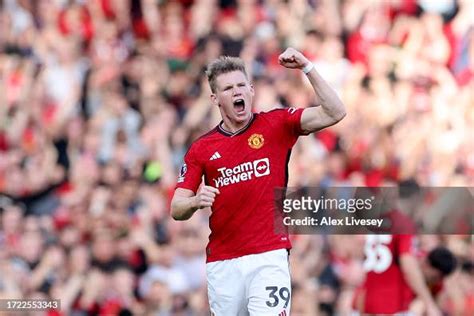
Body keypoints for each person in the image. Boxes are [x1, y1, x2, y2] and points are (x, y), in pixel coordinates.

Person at [170, 47, 346, 315]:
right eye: (228, 88)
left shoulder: (277, 124)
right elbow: (176, 208)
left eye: (241, 85)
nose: (237, 92)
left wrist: (307, 67)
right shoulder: (201, 149)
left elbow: (335, 112)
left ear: (251, 90)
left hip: (268, 257)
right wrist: (195, 201)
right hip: (223, 261)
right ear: (215, 98)